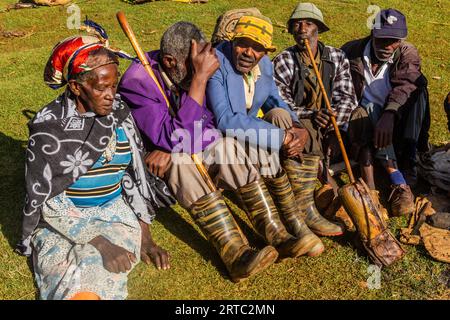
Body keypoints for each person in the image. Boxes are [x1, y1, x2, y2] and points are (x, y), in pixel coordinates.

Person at [118, 22, 287, 283]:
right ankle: (234, 254)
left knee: (226, 146)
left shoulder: (191, 67)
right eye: (195, 67)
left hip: (181, 143)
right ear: (169, 62)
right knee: (181, 161)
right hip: (155, 165)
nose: (203, 71)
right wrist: (197, 79)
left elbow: (209, 123)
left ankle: (274, 231)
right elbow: (175, 138)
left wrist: (180, 140)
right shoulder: (137, 82)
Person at [16, 22, 174, 300]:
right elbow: (48, 201)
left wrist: (145, 238)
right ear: (76, 87)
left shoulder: (120, 113)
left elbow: (133, 180)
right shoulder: (49, 129)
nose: (112, 95)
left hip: (115, 217)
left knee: (97, 270)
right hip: (62, 222)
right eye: (102, 87)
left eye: (114, 85)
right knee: (74, 274)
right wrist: (99, 242)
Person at [207, 14, 343, 251]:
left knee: (280, 114)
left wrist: (297, 128)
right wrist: (280, 137)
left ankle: (300, 208)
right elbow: (226, 120)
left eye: (257, 48)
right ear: (232, 42)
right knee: (268, 137)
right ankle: (283, 223)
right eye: (243, 45)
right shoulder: (217, 64)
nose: (249, 53)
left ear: (265, 52)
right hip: (220, 141)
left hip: (249, 131)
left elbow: (274, 99)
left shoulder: (264, 65)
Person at [341, 8, 431, 216]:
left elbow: (407, 83)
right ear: (373, 33)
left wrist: (389, 114)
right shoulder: (352, 51)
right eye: (383, 40)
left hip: (399, 120)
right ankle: (397, 181)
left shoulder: (407, 52)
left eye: (394, 41)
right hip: (364, 120)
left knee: (419, 92)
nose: (388, 46)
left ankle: (408, 161)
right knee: (370, 108)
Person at [272, 2, 358, 211]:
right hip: (306, 120)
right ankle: (328, 184)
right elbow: (283, 103)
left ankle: (364, 178)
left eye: (308, 23)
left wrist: (333, 118)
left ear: (318, 28)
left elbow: (348, 97)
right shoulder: (283, 60)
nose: (302, 29)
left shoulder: (336, 57)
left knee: (361, 115)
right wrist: (313, 114)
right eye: (297, 24)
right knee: (301, 127)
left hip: (334, 121)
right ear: (291, 30)